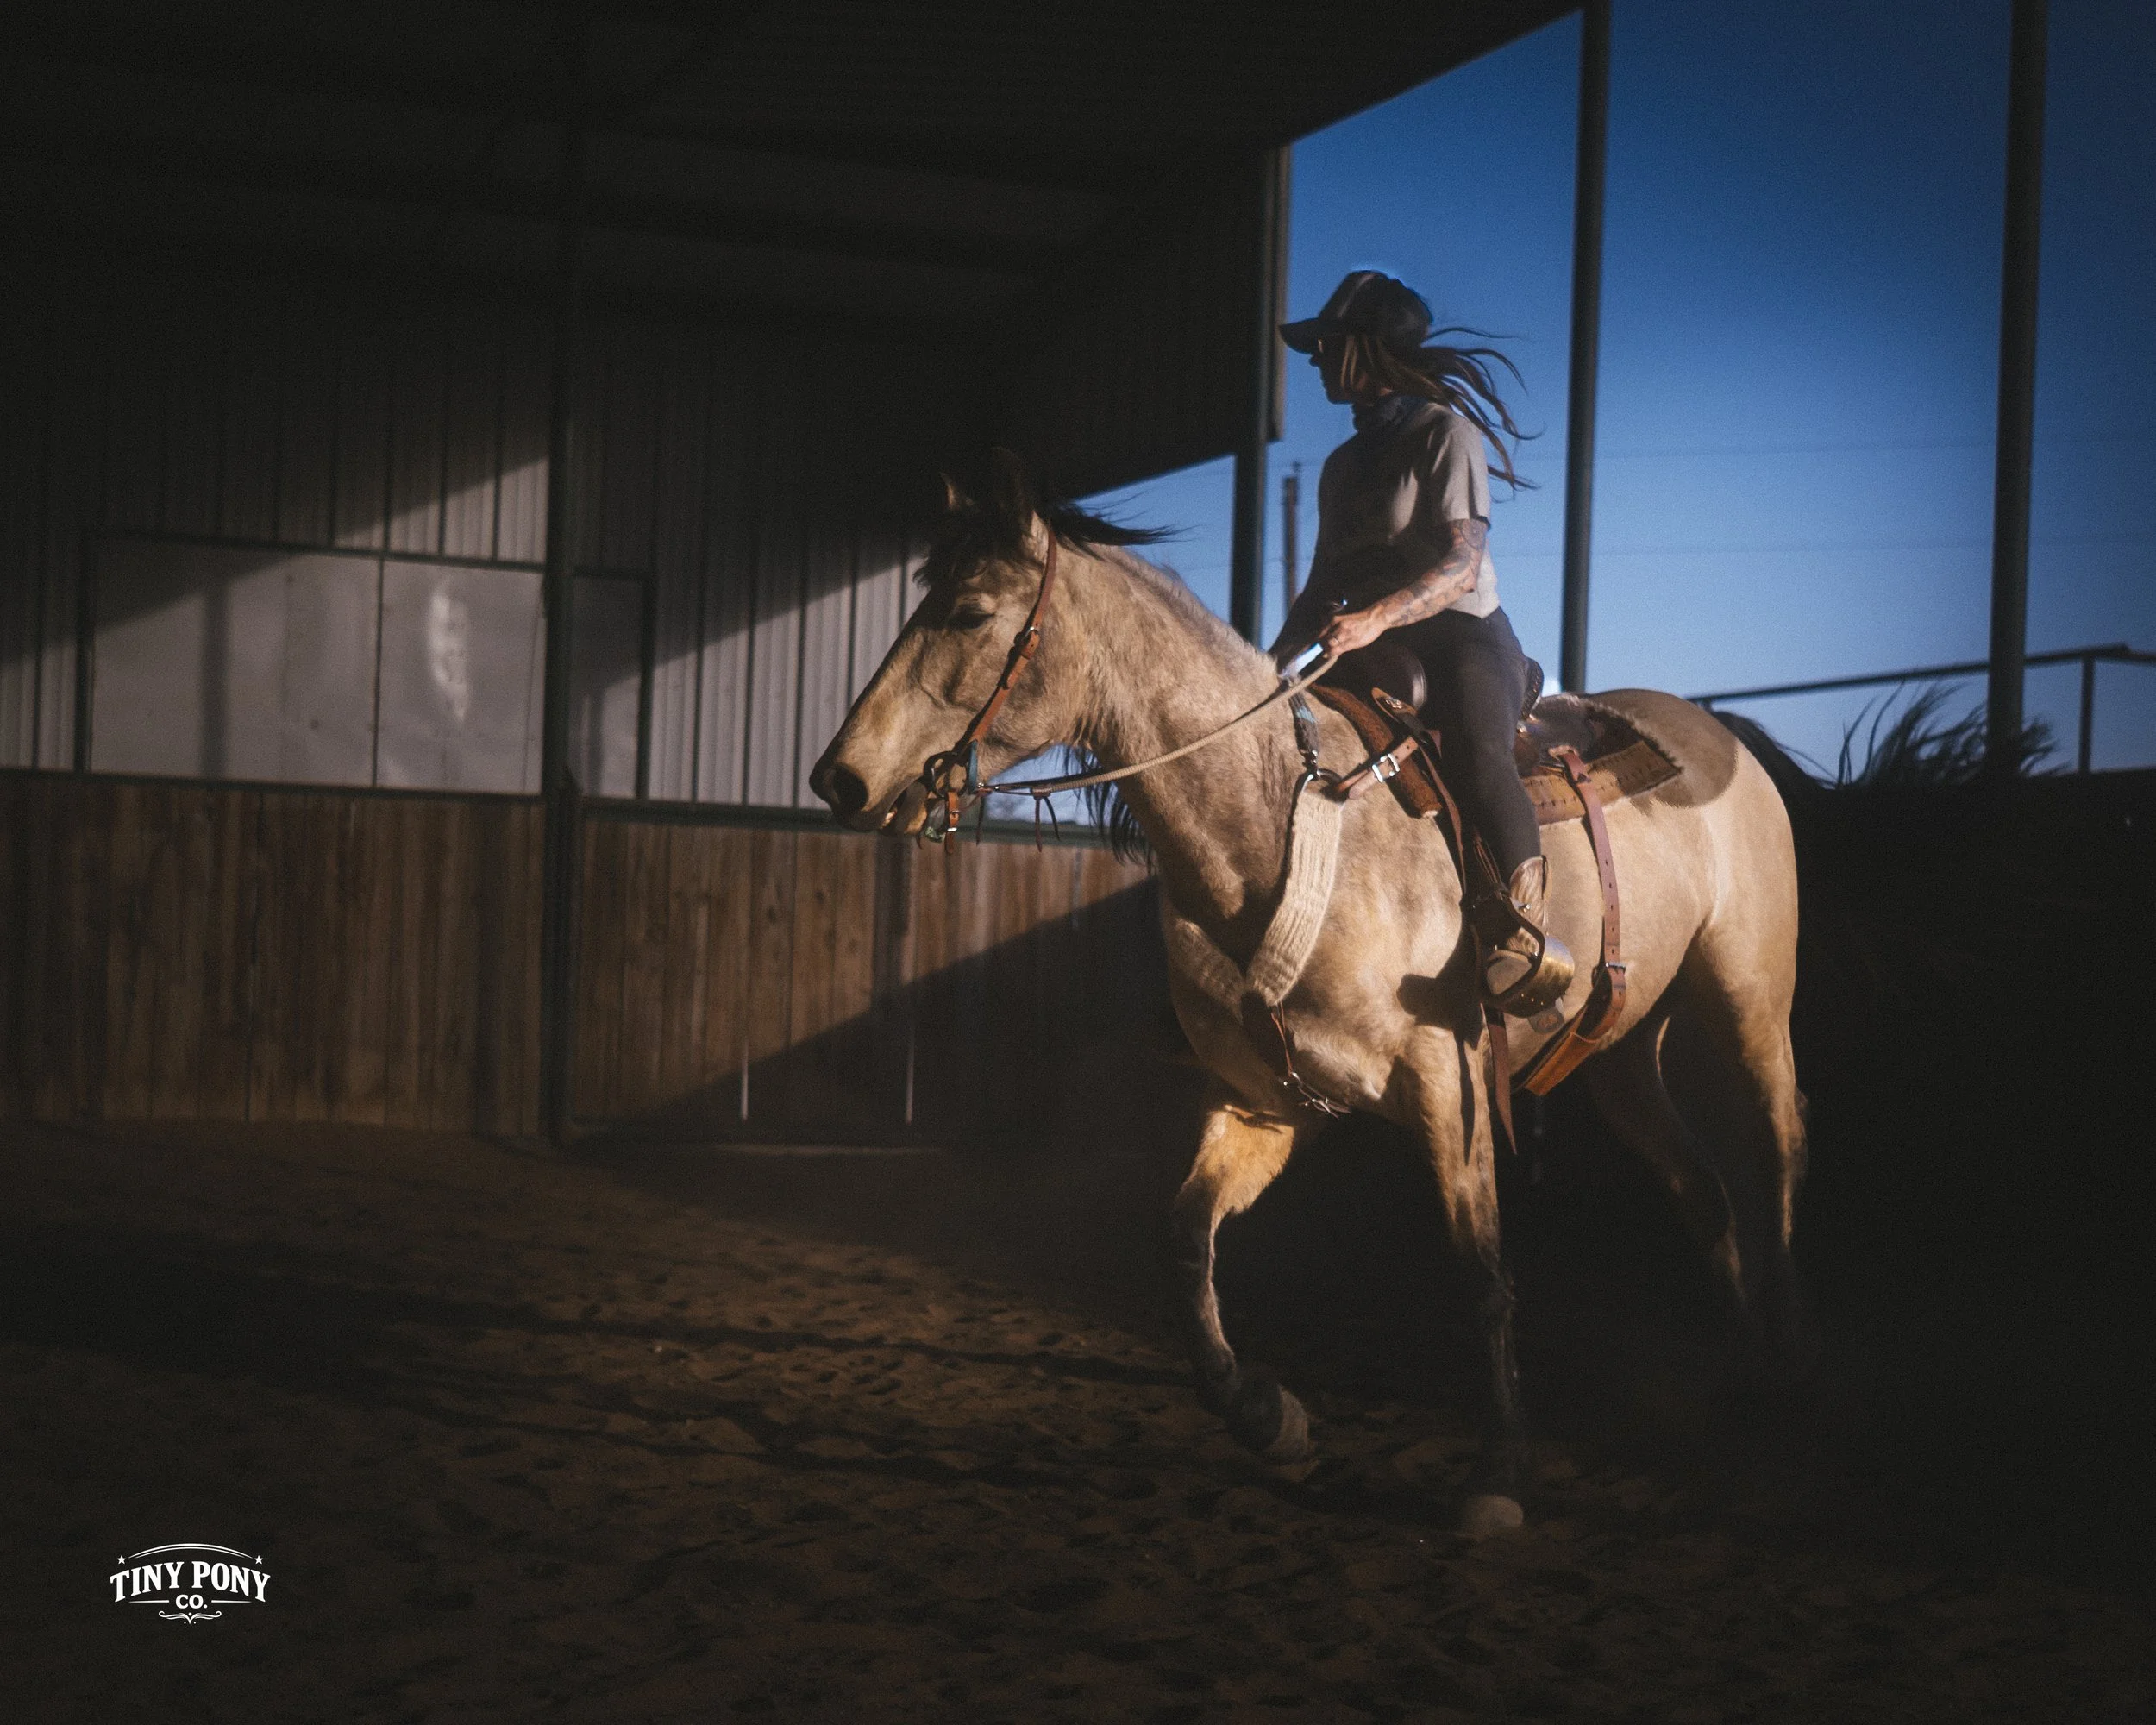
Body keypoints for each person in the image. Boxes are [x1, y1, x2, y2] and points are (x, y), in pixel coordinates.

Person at [1272, 270, 1571, 1014]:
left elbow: (1461, 561)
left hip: (1463, 636)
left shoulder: (1444, 434)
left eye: (1325, 345)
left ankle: (1525, 936)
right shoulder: (1343, 467)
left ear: (1364, 349)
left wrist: (1374, 617)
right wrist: (1266, 669)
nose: (1314, 360)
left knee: (1476, 751)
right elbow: (1319, 588)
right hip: (1372, 644)